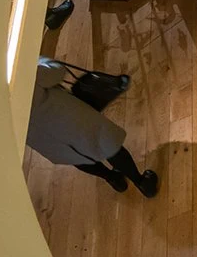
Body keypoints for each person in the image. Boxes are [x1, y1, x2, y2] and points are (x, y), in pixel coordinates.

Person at [25, 60, 158, 197]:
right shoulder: (22, 78)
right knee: (107, 146)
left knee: (77, 158)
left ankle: (114, 179)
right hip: (69, 121)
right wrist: (41, 60)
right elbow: (56, 72)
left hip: (43, 141)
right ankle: (142, 183)